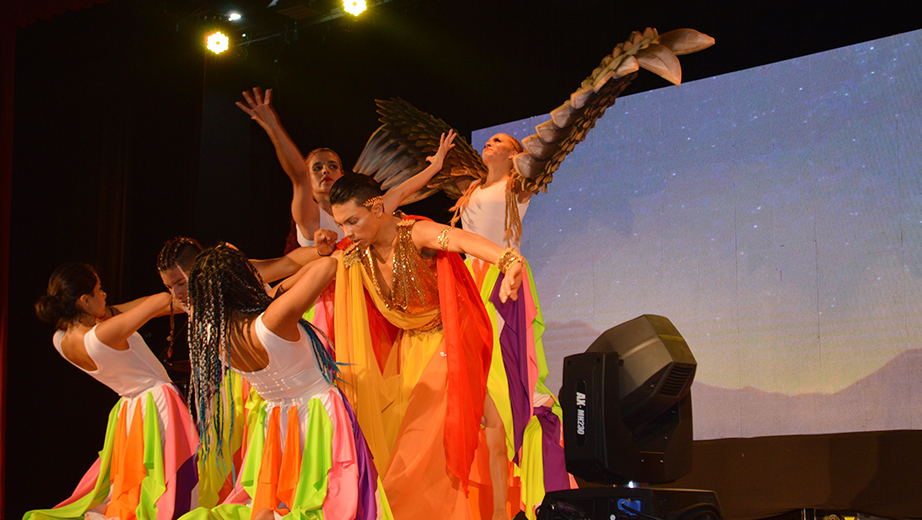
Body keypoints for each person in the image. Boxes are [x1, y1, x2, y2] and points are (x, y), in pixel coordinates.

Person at [319, 173, 524, 520]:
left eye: (352, 221)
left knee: (428, 437)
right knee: (449, 429)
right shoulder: (356, 254)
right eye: (342, 224)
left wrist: (508, 261)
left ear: (378, 208)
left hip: (449, 342)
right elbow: (304, 268)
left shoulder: (415, 234)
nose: (347, 232)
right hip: (409, 348)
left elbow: (460, 240)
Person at [408, 132, 572, 519]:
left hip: (501, 277)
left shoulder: (518, 184)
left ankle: (502, 506)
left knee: (499, 383)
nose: (490, 143)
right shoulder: (472, 187)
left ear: (515, 154)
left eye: (500, 140)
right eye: (490, 139)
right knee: (470, 380)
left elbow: (558, 140)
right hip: (467, 279)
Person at [182, 244, 387, 520]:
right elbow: (326, 266)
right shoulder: (273, 320)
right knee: (329, 502)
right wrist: (278, 290)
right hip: (319, 417)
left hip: (276, 423)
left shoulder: (211, 333)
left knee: (285, 500)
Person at [27, 262, 199, 520]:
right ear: (84, 300)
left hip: (130, 411)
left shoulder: (61, 340)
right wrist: (176, 285)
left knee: (143, 487)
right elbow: (161, 300)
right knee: (169, 484)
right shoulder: (102, 336)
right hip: (157, 404)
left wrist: (107, 310)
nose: (105, 294)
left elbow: (115, 312)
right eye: (99, 290)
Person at [235, 87, 457, 249]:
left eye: (333, 166)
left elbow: (400, 192)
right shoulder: (310, 217)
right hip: (326, 303)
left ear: (343, 174)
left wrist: (436, 165)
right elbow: (298, 176)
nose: (325, 171)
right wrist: (273, 127)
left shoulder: (368, 210)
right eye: (317, 168)